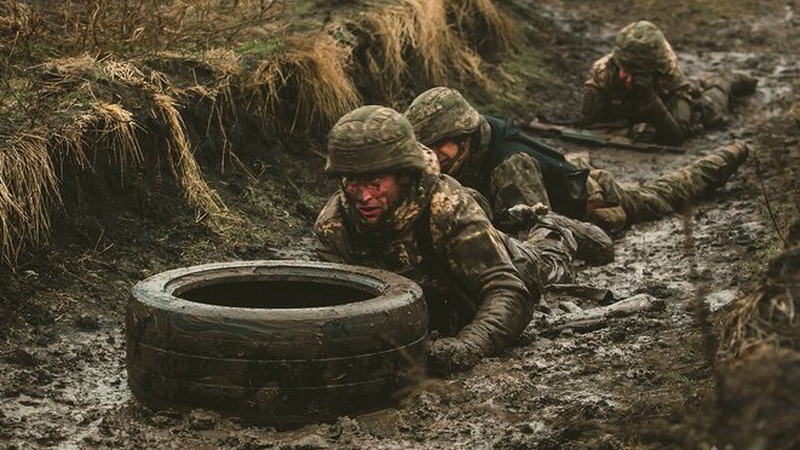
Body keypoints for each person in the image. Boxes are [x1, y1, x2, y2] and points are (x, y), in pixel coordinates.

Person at [313, 105, 580, 375]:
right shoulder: (334, 227)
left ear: (403, 174)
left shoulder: (446, 206)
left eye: (375, 182)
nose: (364, 197)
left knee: (550, 256)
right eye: (352, 183)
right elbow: (338, 311)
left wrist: (466, 347)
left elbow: (509, 292)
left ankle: (551, 226)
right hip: (433, 304)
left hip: (516, 263)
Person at [403, 86, 750, 236]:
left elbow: (539, 230)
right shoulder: (476, 134)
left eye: (436, 146)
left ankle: (733, 153)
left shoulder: (511, 167)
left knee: (670, 193)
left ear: (462, 138)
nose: (431, 156)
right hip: (564, 172)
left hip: (596, 198)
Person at [581, 20, 757, 146]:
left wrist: (650, 99)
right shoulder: (604, 71)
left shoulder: (671, 80)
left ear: (652, 71)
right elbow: (589, 122)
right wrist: (629, 131)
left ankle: (724, 79)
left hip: (665, 103)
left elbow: (677, 137)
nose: (627, 78)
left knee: (710, 109)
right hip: (630, 111)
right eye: (625, 70)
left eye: (636, 73)